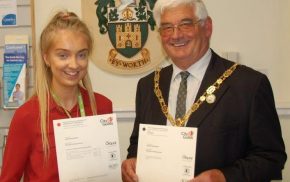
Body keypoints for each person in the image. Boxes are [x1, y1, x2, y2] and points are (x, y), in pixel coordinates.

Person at [121, 0, 287, 181]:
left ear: (207, 27)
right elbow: (138, 144)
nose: (175, 35)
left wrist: (223, 177)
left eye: (185, 25)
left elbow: (271, 158)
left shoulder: (249, 85)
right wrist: (131, 161)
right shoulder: (148, 86)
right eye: (167, 27)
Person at [0, 11, 112, 181]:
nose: (74, 64)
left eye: (81, 55)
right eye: (63, 55)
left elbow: (108, 169)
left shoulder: (103, 107)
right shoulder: (27, 116)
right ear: (46, 58)